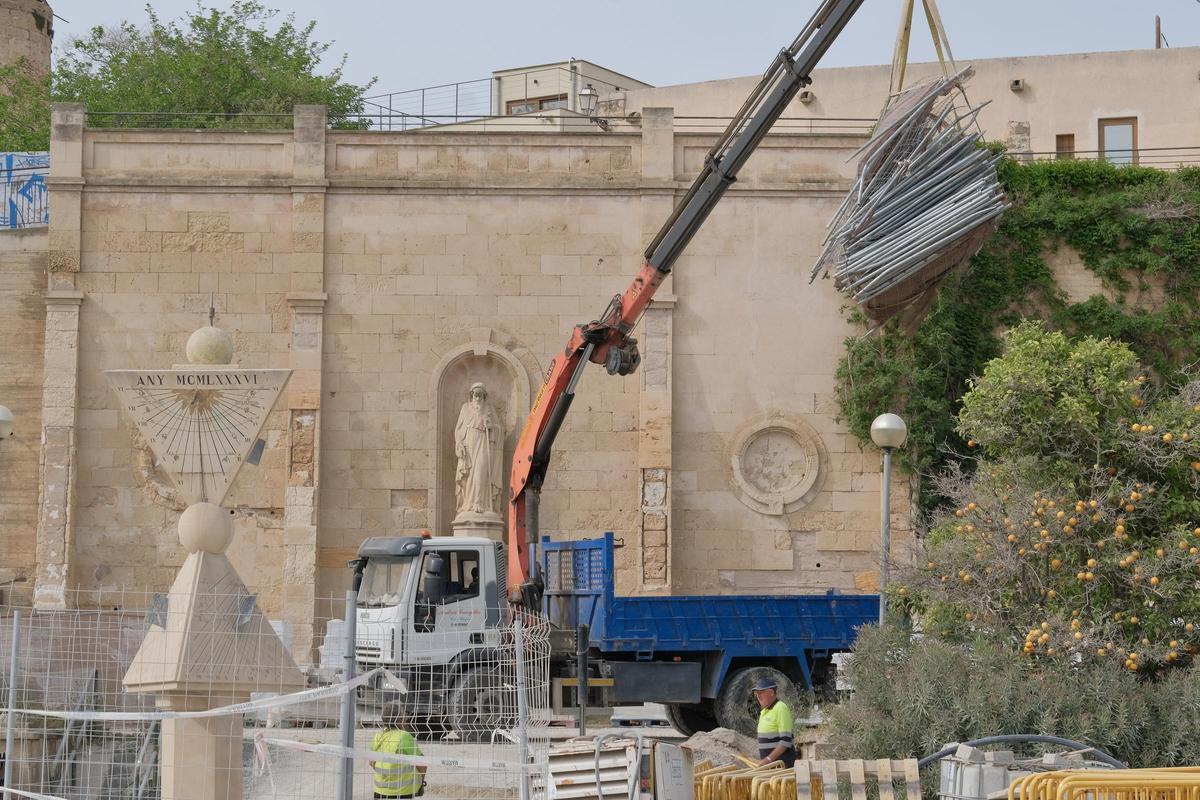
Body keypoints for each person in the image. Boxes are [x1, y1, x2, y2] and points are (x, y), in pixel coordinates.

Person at [370, 704, 426, 798]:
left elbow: (371, 763)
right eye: (404, 716)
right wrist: (421, 781)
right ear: (400, 719)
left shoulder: (378, 736)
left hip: (380, 791)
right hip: (402, 792)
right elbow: (422, 764)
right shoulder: (404, 736)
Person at [752, 677, 795, 767]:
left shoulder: (781, 708)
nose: (758, 696)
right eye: (756, 693)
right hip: (771, 767)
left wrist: (768, 760)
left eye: (761, 693)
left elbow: (786, 741)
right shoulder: (764, 711)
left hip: (782, 767)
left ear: (771, 692)